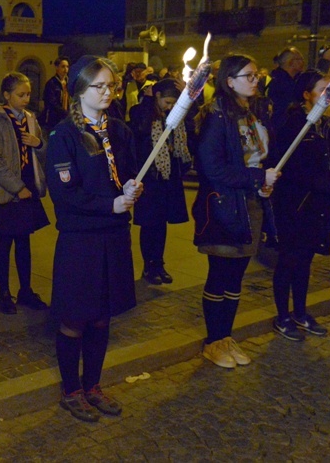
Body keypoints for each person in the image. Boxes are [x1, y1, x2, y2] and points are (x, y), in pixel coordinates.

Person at [46, 55, 143, 422]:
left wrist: (133, 186)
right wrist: (112, 204)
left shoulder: (119, 130)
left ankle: (93, 386)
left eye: (111, 86)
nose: (106, 92)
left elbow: (128, 170)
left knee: (102, 317)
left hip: (113, 237)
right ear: (78, 91)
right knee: (76, 318)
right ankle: (71, 391)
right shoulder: (63, 136)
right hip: (81, 240)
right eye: (98, 86)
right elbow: (65, 194)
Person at [192, 54, 280, 369]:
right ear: (229, 81)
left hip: (251, 204)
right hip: (224, 208)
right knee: (220, 275)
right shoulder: (217, 117)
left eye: (257, 75)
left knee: (236, 278)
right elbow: (212, 168)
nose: (255, 80)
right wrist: (257, 178)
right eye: (248, 75)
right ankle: (213, 341)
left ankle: (225, 337)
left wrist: (264, 182)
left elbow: (257, 157)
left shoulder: (253, 113)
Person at [271, 70, 330, 341]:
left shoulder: (327, 125)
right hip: (294, 207)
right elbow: (296, 171)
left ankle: (301, 311)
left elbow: (324, 165)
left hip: (316, 206)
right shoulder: (295, 125)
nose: (329, 94)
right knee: (288, 261)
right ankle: (282, 315)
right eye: (323, 89)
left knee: (305, 262)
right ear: (307, 95)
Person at [0, 72, 50, 315]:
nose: (25, 99)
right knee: (5, 241)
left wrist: (39, 144)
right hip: (8, 191)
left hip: (28, 187)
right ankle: (3, 292)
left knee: (24, 240)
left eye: (28, 94)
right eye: (20, 95)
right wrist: (16, 187)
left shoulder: (30, 119)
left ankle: (25, 290)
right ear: (7, 95)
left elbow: (43, 153)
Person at [129, 78, 192, 284]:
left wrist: (188, 97)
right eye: (167, 102)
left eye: (174, 103)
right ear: (156, 96)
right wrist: (148, 103)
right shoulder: (141, 111)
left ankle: (159, 263)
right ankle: (149, 266)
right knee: (150, 224)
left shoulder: (173, 116)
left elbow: (191, 126)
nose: (170, 106)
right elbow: (139, 128)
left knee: (162, 223)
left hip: (168, 176)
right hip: (150, 178)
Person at [40, 56, 70, 130]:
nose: (65, 70)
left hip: (67, 118)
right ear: (57, 67)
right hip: (54, 118)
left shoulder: (69, 82)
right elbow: (51, 103)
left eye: (67, 67)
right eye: (63, 67)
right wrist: (64, 113)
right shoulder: (51, 83)